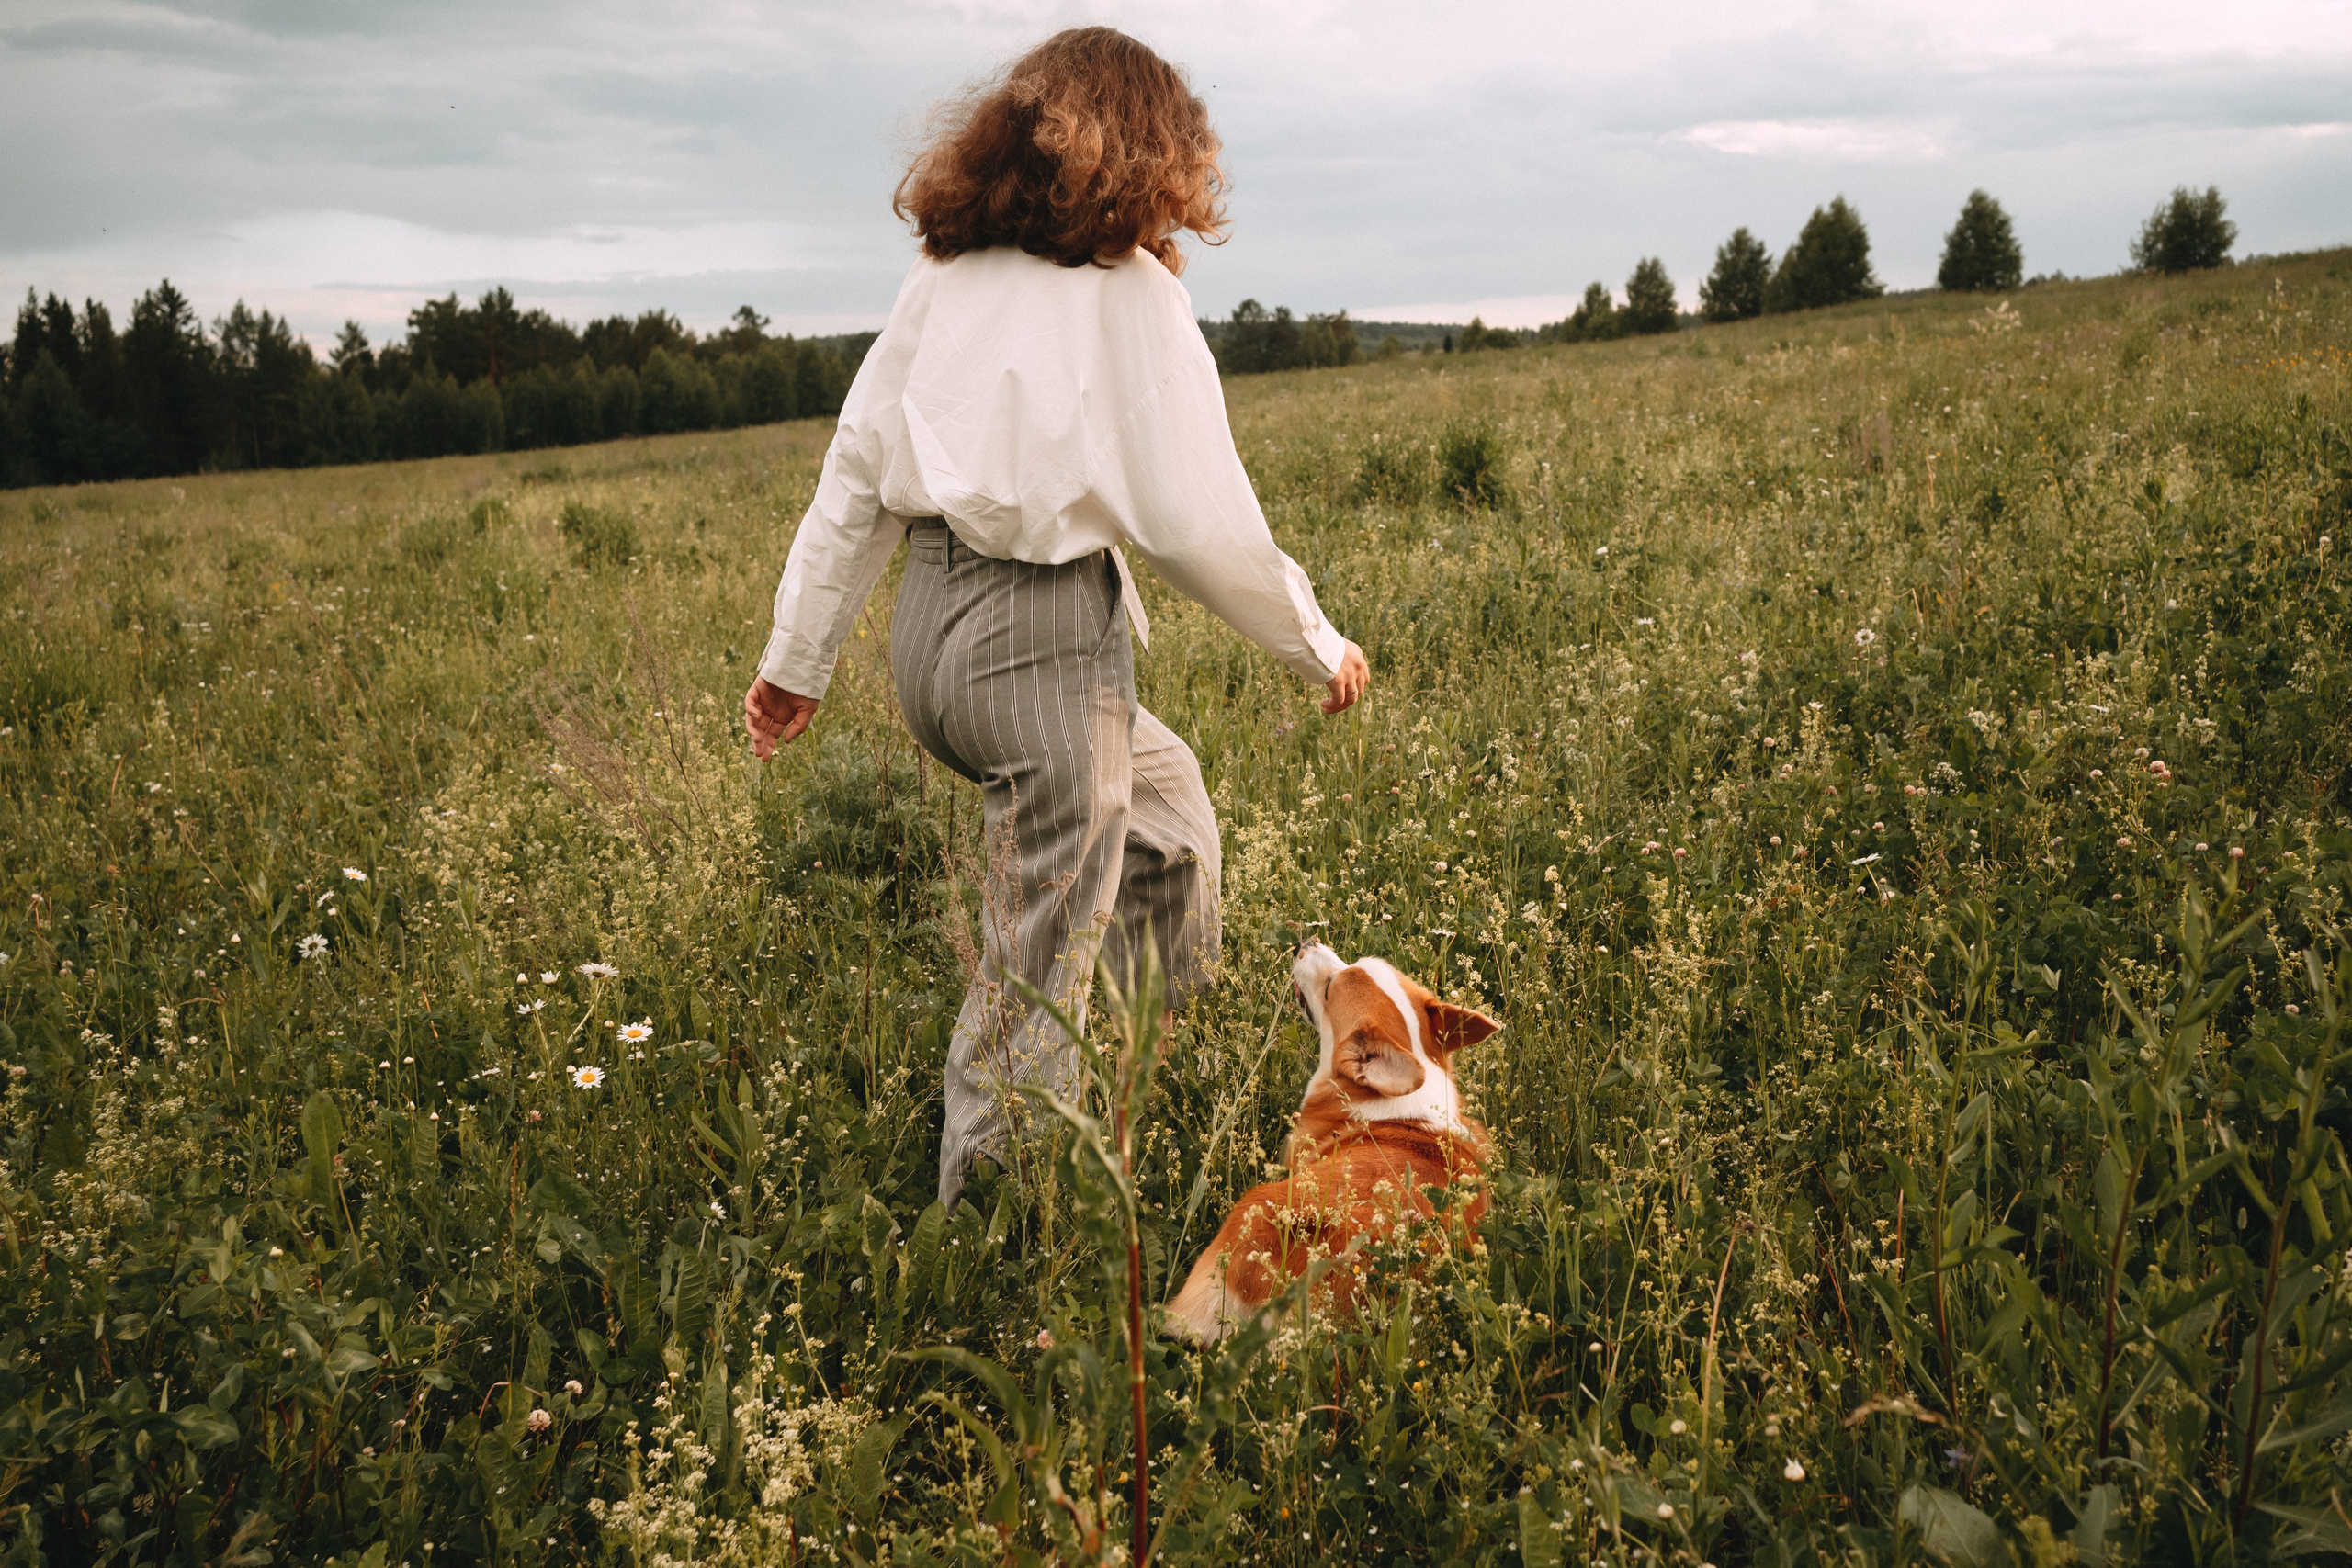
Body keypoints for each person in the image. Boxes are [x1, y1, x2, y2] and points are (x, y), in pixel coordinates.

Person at [742, 26, 1369, 1209]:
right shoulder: (1132, 297)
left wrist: (799, 662)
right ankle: (994, 1215)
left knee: (1172, 832)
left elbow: (856, 471)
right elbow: (1199, 520)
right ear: (1147, 160)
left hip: (932, 642)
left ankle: (1114, 1091)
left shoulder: (943, 275)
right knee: (1039, 952)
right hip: (1038, 648)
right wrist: (1314, 641)